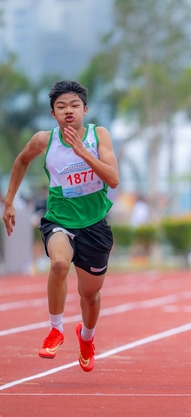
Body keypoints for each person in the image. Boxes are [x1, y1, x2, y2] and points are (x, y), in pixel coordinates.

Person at [2, 80, 119, 372]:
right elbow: (21, 161)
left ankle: (86, 337)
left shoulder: (98, 135)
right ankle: (56, 329)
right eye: (61, 106)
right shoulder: (45, 140)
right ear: (53, 113)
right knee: (58, 264)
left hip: (94, 225)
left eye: (74, 105)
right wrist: (9, 201)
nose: (68, 111)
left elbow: (114, 179)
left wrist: (83, 153)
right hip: (59, 220)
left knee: (89, 296)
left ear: (85, 110)